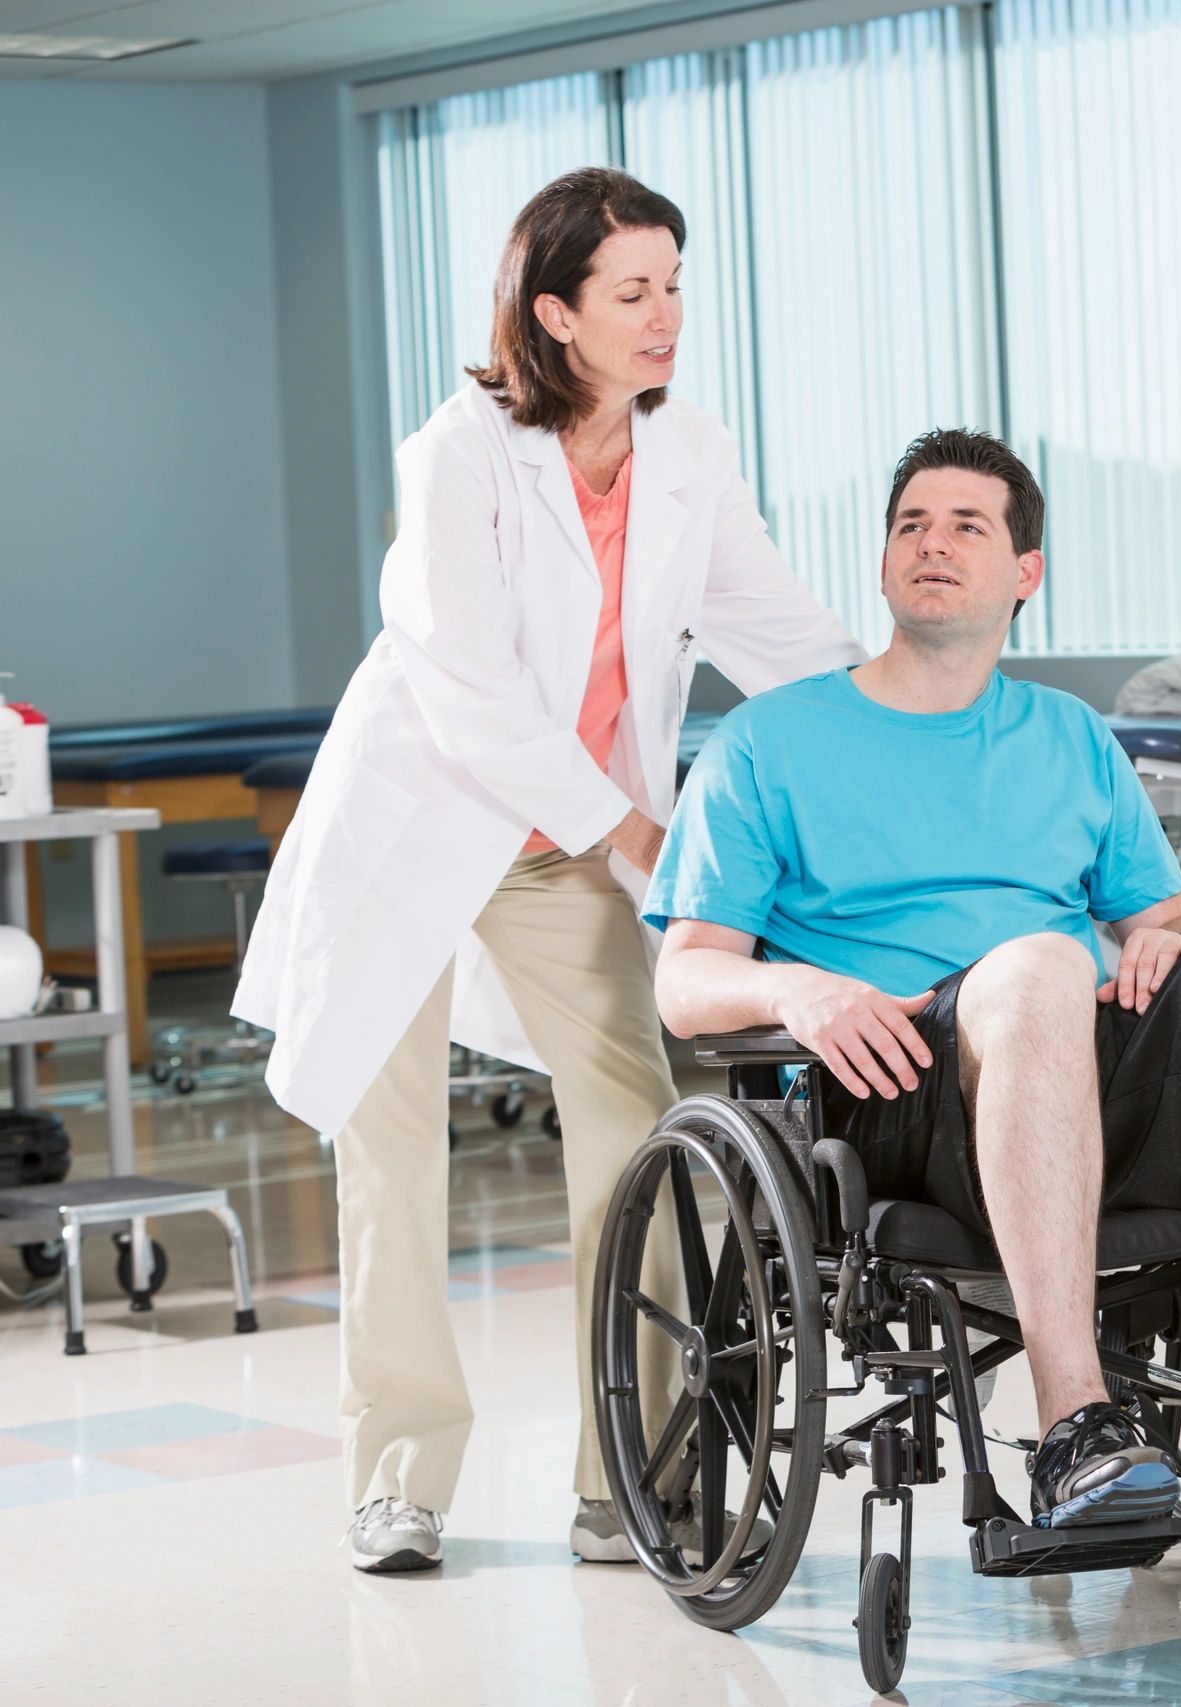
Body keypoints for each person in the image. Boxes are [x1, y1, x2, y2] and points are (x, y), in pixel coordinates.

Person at [235, 168, 863, 1573]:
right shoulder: (458, 454)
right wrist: (638, 836)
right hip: (419, 831)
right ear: (555, 311)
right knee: (391, 1156)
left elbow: (782, 633)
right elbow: (473, 695)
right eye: (633, 291)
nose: (667, 314)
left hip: (557, 851)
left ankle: (629, 1473)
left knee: (639, 1129)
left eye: (675, 284)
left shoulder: (688, 453)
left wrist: (904, 708)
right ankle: (397, 1477)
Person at [646, 428, 1181, 1525]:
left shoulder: (1069, 735)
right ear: (883, 564)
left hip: (1082, 1071)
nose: (932, 543)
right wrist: (798, 990)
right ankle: (1074, 1425)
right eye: (910, 525)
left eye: (965, 525)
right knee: (1035, 968)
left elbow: (1166, 918)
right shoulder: (768, 742)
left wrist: (1171, 936)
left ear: (1025, 573)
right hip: (899, 1090)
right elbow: (685, 980)